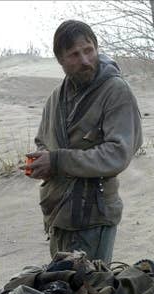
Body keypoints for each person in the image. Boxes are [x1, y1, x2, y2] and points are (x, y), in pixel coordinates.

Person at [24, 20, 143, 264]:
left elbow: (117, 154)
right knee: (62, 291)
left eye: (89, 50)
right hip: (59, 213)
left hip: (94, 214)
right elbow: (43, 140)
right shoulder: (56, 98)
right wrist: (41, 161)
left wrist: (57, 161)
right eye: (74, 55)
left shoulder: (115, 91)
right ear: (61, 60)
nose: (85, 60)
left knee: (92, 292)